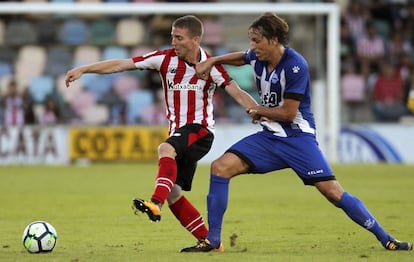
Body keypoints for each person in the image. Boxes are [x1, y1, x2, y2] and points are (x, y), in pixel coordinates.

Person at [180, 13, 413, 252]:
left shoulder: (295, 65)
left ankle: (387, 239)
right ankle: (213, 241)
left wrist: (259, 109)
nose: (252, 46)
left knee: (333, 192)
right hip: (270, 137)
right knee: (220, 167)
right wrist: (213, 60)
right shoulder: (258, 57)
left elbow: (290, 113)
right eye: (251, 40)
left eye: (257, 40)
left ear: (273, 40)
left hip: (297, 139)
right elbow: (241, 57)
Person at [65, 15, 257, 246]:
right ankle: (208, 241)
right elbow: (121, 64)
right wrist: (85, 69)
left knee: (165, 148)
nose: (173, 42)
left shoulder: (210, 66)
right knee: (174, 191)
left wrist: (255, 110)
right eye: (172, 37)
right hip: (180, 134)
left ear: (195, 40)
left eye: (179, 38)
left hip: (201, 131)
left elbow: (236, 92)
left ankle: (156, 202)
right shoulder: (163, 59)